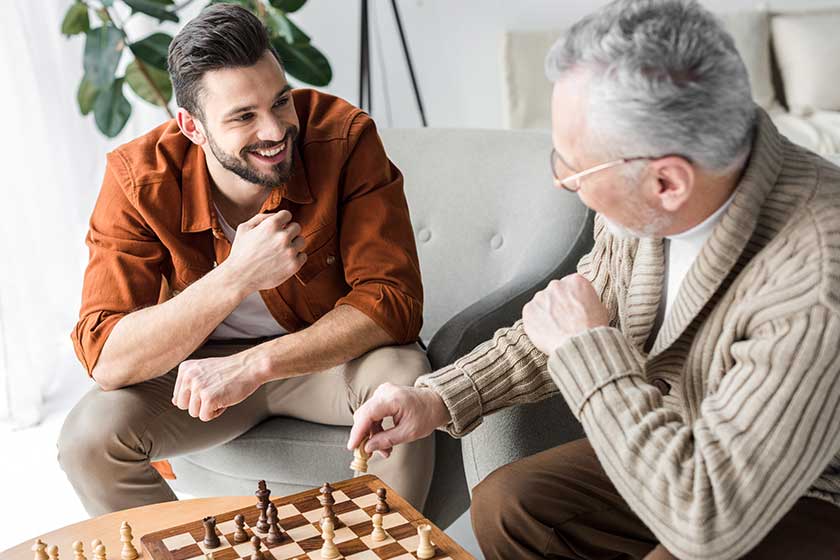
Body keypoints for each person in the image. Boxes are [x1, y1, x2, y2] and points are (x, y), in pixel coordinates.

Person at [348, 1, 840, 558]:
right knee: (508, 504)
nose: (561, 183)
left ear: (667, 182)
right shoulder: (651, 206)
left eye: (573, 168)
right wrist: (436, 398)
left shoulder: (817, 280)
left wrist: (587, 347)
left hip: (804, 490)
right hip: (682, 445)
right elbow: (568, 318)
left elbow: (708, 520)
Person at [59, 3, 433, 515]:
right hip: (203, 379)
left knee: (403, 385)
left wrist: (254, 365)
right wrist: (236, 276)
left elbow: (394, 301)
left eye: (280, 102)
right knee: (87, 438)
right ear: (192, 126)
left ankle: (390, 549)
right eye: (243, 116)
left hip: (326, 362)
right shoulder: (138, 180)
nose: (276, 130)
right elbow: (106, 356)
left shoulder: (343, 138)